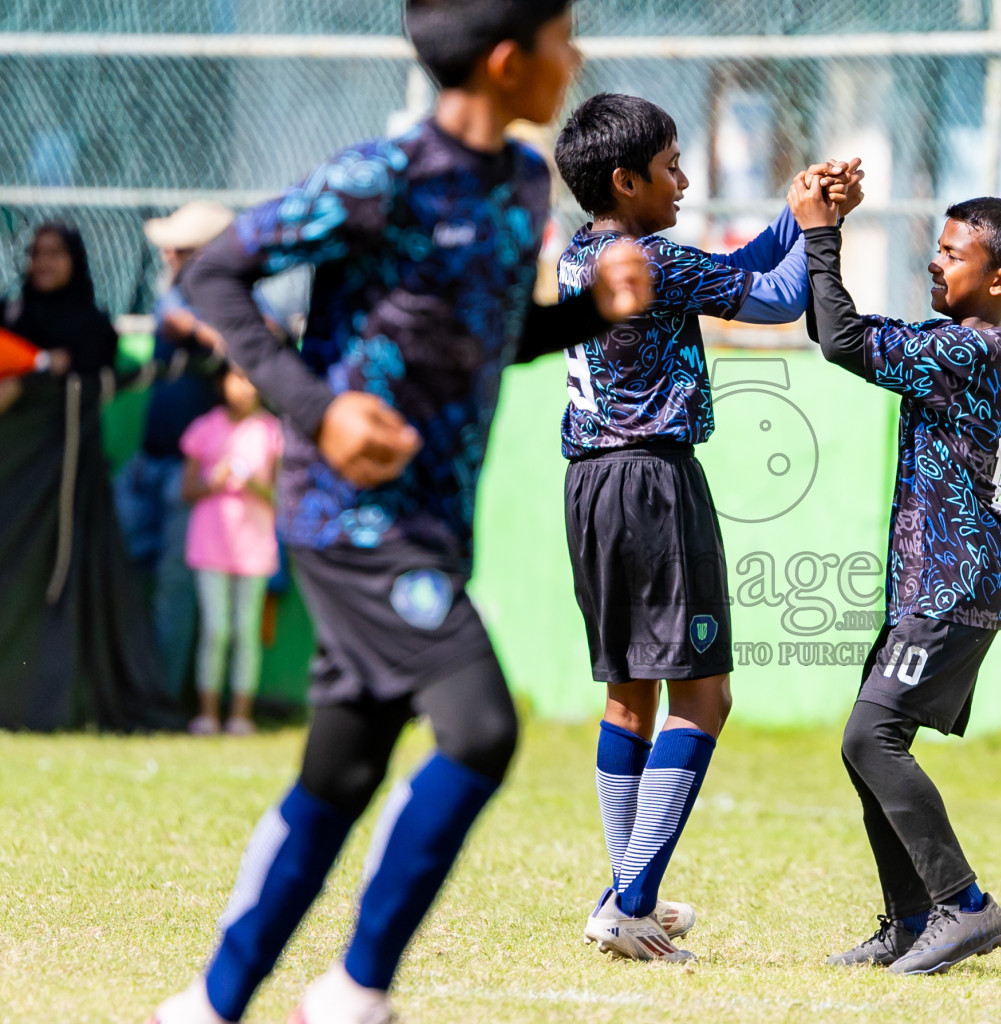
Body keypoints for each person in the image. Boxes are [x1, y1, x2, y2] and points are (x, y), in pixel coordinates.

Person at [147, 3, 651, 1022]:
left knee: (340, 776)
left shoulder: (517, 186)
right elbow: (214, 274)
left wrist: (589, 314)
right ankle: (356, 991)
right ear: (509, 63)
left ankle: (210, 1003)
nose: (578, 56)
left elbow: (483, 340)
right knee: (477, 728)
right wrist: (317, 409)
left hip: (431, 526)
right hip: (353, 517)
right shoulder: (382, 175)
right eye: (565, 39)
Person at [551, 92, 861, 962]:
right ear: (626, 179)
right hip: (654, 483)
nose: (685, 180)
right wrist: (819, 230)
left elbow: (733, 264)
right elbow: (771, 300)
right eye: (672, 167)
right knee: (705, 694)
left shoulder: (587, 252)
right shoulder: (652, 260)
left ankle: (631, 900)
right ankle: (629, 901)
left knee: (630, 690)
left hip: (591, 485)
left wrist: (793, 216)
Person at [789, 176, 1001, 975]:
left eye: (952, 254)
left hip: (952, 583)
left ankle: (964, 906)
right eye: (937, 249)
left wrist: (821, 233)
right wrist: (817, 236)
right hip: (931, 581)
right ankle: (909, 922)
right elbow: (837, 327)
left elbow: (839, 341)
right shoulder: (951, 348)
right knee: (866, 743)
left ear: (1000, 280)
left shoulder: (965, 350)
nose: (935, 264)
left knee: (873, 738)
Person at [0, 224, 168, 731]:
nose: (43, 263)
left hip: (71, 489)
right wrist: (36, 371)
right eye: (36, 254)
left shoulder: (92, 325)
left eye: (55, 253)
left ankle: (57, 701)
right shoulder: (12, 315)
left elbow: (96, 370)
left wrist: (47, 374)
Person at [114, 201, 238, 704]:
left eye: (180, 247)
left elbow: (259, 344)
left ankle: (161, 698)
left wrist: (200, 333)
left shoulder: (233, 300)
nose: (168, 253)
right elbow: (170, 318)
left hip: (192, 474)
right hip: (147, 462)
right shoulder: (173, 298)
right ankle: (121, 684)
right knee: (119, 567)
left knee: (174, 589)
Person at [179, 365, 283, 737]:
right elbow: (186, 490)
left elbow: (285, 495)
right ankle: (207, 715)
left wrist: (255, 486)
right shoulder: (205, 427)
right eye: (237, 376)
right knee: (216, 629)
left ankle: (241, 717)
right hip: (210, 545)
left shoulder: (272, 431)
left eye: (252, 377)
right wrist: (214, 481)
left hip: (254, 546)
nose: (245, 386)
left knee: (246, 631)